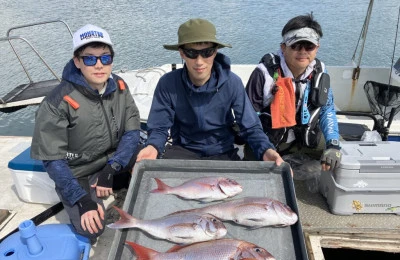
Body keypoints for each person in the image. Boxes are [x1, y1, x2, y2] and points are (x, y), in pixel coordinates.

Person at [31, 24, 141, 240]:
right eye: (90, 58)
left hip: (112, 159)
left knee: (152, 159)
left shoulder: (119, 85)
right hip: (78, 171)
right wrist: (81, 199)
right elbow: (53, 160)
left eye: (105, 58)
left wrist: (112, 168)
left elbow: (132, 130)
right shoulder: (56, 102)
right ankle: (94, 189)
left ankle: (111, 180)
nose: (99, 65)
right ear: (77, 61)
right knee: (92, 228)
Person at [137, 18, 283, 165]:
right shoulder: (168, 83)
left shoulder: (233, 83)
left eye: (207, 52)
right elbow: (159, 127)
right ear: (182, 53)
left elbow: (250, 127)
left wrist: (266, 150)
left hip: (222, 151)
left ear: (215, 52)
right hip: (182, 150)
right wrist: (152, 146)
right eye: (191, 53)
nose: (199, 61)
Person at [245, 13, 341, 171]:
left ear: (317, 48)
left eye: (309, 46)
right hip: (270, 141)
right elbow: (249, 118)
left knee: (337, 156)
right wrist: (264, 148)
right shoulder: (264, 73)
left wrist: (333, 143)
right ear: (283, 47)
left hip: (305, 138)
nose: (303, 51)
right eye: (296, 46)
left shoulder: (320, 71)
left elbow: (326, 109)